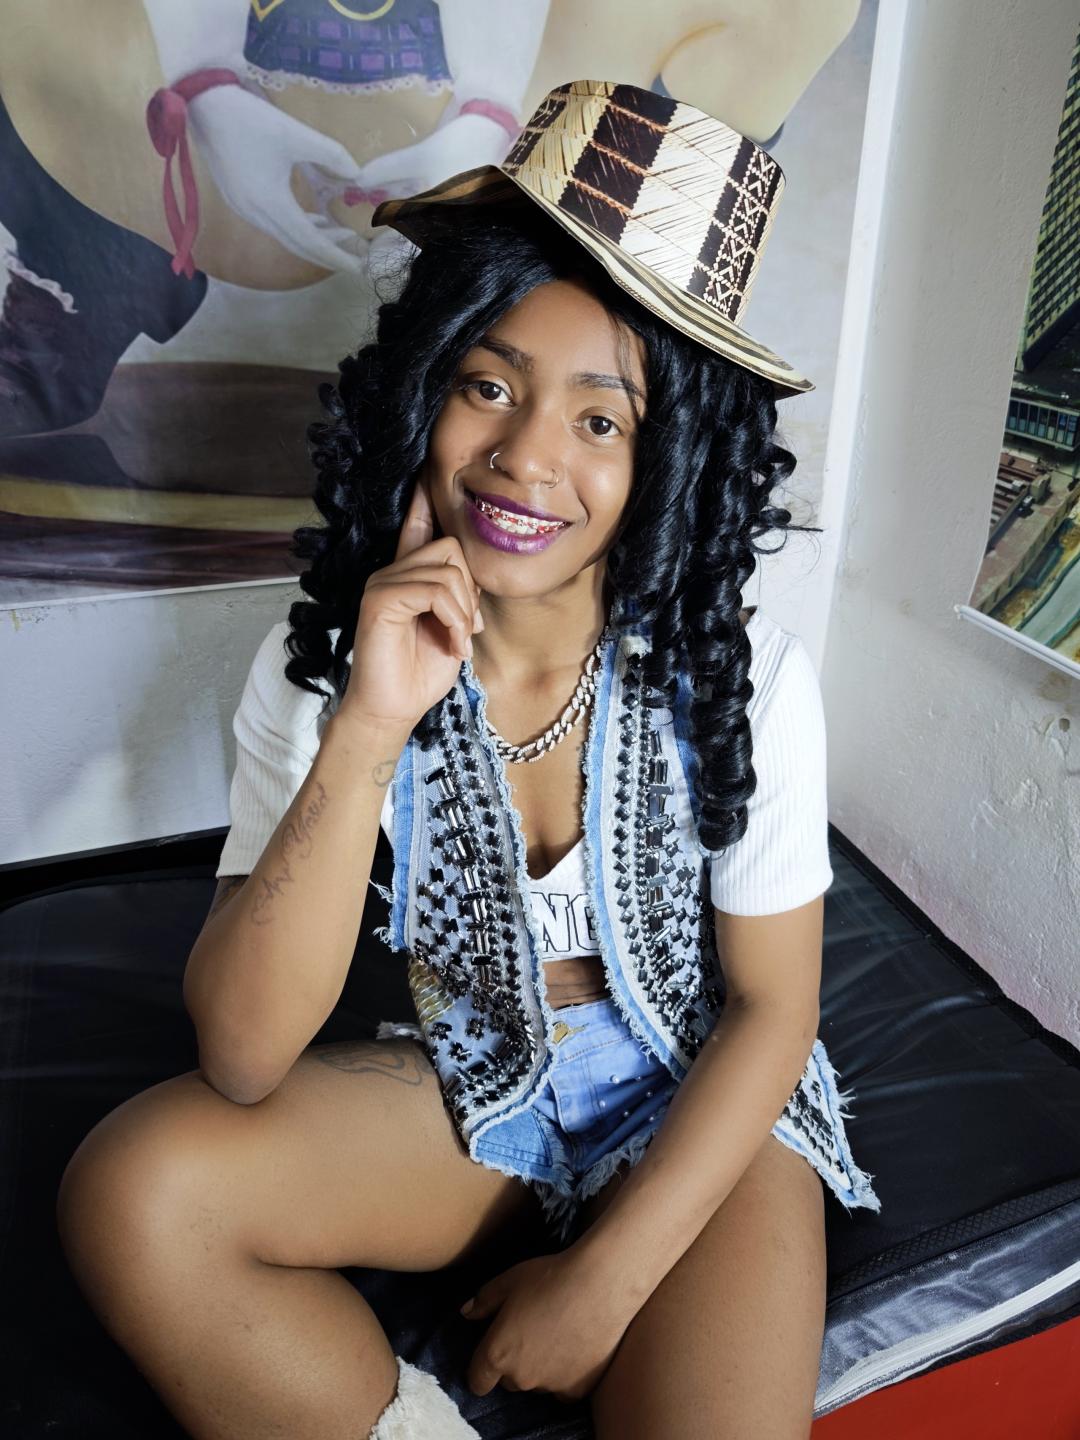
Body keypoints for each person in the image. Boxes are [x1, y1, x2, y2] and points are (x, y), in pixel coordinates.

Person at [56, 80, 880, 1439]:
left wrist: (602, 1288)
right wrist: (369, 722)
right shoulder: (326, 667)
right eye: (488, 385)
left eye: (600, 420)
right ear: (426, 388)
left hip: (701, 1103)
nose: (525, 460)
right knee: (137, 1190)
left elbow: (773, 1012)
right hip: (473, 1081)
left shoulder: (748, 678)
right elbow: (244, 1056)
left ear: (669, 454)